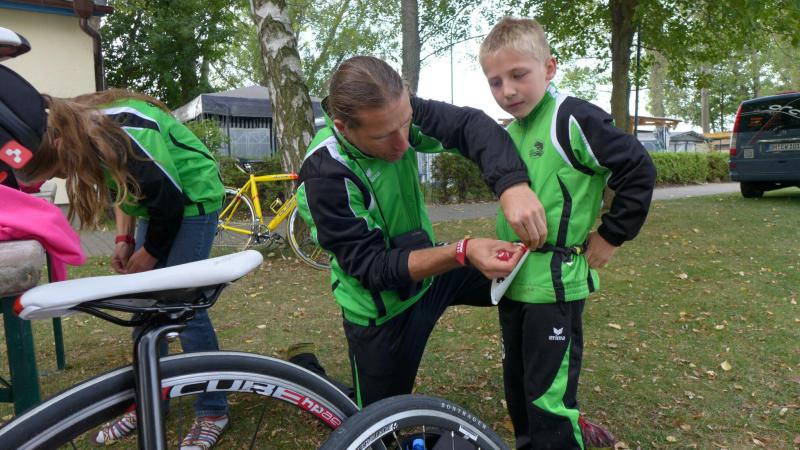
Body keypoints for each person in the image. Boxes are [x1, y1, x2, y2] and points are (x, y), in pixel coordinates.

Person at [295, 55, 547, 408]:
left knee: (529, 274)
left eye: (405, 125)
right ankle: (306, 373)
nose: (403, 144)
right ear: (343, 127)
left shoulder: (397, 111)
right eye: (384, 136)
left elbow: (470, 125)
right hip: (383, 310)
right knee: (377, 422)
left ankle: (542, 397)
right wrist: (462, 251)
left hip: (430, 279)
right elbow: (373, 268)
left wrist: (512, 184)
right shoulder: (325, 175)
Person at [2, 65, 229, 450]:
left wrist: (151, 253)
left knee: (185, 308)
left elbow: (169, 202)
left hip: (193, 201)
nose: (63, 176)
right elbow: (126, 186)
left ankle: (213, 410)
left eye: (58, 170)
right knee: (143, 306)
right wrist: (124, 239)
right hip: (158, 204)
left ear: (59, 145)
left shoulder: (119, 130)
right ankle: (151, 399)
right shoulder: (77, 130)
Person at [478, 17, 657, 449]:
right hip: (514, 281)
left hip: (555, 288)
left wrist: (612, 234)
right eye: (495, 82)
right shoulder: (511, 131)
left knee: (548, 399)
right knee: (518, 388)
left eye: (518, 75)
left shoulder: (571, 117)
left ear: (549, 68)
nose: (507, 91)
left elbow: (638, 168)